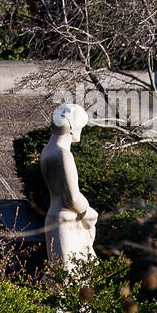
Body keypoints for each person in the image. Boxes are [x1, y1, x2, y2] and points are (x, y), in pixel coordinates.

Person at [39, 102, 98, 270]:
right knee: (70, 277)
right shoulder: (63, 154)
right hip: (67, 220)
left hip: (55, 217)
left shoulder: (47, 151)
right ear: (74, 127)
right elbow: (72, 197)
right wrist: (88, 211)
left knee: (65, 275)